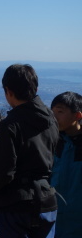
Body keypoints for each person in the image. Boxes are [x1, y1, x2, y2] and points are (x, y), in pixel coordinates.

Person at [0, 64, 58, 238]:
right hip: (47, 201)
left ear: (8, 91)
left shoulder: (10, 125)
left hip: (16, 206)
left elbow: (4, 173)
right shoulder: (51, 119)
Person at [49, 91, 82, 238]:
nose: (54, 117)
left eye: (60, 112)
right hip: (52, 220)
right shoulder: (51, 142)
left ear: (77, 116)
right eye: (53, 111)